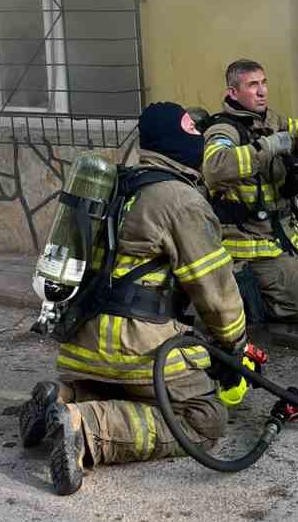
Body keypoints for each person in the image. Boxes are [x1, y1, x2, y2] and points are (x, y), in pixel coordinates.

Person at [18, 101, 248, 494]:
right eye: (194, 133)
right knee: (203, 419)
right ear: (175, 141)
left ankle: (62, 396)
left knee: (126, 392)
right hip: (134, 347)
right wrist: (234, 349)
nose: (201, 143)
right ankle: (88, 429)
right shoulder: (181, 201)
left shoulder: (116, 185)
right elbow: (216, 294)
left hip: (81, 343)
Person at [201, 59, 298, 323]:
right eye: (252, 85)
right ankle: (245, 299)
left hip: (282, 235)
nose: (262, 91)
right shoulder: (223, 129)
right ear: (233, 92)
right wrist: (265, 148)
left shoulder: (271, 119)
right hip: (248, 243)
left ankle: (274, 285)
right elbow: (213, 168)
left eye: (264, 82)